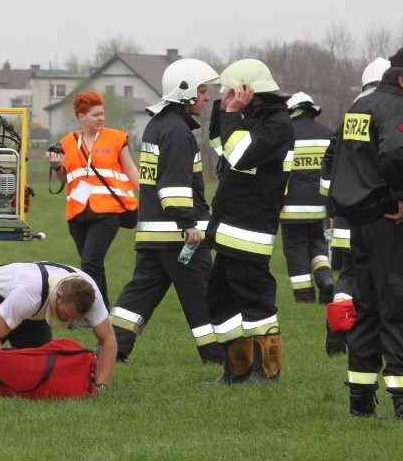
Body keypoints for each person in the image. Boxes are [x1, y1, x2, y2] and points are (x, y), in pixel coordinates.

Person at [328, 45, 403, 420]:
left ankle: (360, 400)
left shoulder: (362, 105)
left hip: (363, 221)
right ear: (402, 78)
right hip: (394, 223)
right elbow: (397, 154)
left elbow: (339, 157)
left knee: (368, 309)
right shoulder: (398, 108)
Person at [110, 58, 224, 365]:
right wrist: (189, 224)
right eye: (202, 90)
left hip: (154, 235)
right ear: (184, 91)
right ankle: (219, 359)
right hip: (181, 237)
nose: (207, 97)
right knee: (204, 298)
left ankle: (111, 349)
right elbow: (173, 187)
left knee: (138, 298)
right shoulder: (177, 132)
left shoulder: (158, 125)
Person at [206, 58, 294, 384]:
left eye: (232, 89)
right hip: (230, 226)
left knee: (256, 301)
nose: (228, 94)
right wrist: (223, 109)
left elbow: (240, 154)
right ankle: (236, 370)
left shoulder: (279, 125)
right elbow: (221, 146)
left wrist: (233, 116)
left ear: (250, 92)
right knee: (220, 297)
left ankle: (267, 372)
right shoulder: (253, 118)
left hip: (251, 229)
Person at [0, 261, 117, 391]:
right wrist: (10, 376)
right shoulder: (29, 294)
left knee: (40, 377)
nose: (69, 322)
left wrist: (101, 385)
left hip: (34, 312)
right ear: (59, 296)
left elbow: (108, 340)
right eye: (68, 315)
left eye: (76, 319)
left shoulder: (90, 295)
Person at [320, 57, 390, 356]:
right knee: (383, 275)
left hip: (345, 214)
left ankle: (337, 332)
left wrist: (334, 208)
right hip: (380, 215)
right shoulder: (391, 114)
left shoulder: (348, 118)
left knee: (348, 274)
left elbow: (328, 171)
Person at [46, 91, 139, 308]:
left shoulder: (116, 138)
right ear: (81, 117)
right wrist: (56, 166)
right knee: (91, 265)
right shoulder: (67, 143)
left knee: (90, 261)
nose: (100, 118)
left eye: (102, 114)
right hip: (77, 212)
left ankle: (94, 311)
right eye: (95, 114)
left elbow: (131, 168)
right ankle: (101, 310)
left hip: (108, 211)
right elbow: (65, 178)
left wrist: (149, 195)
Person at [279, 92, 334, 304]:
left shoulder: (285, 134)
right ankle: (325, 277)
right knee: (318, 244)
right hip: (319, 206)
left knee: (295, 251)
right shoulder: (327, 134)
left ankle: (305, 298)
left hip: (290, 207)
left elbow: (279, 172)